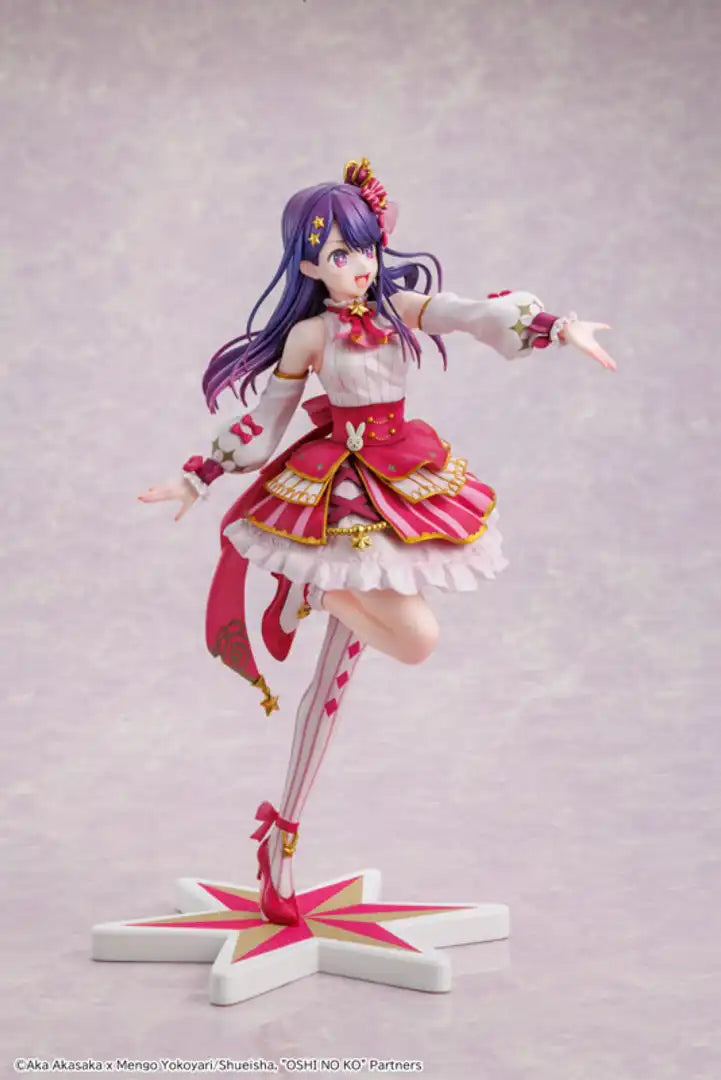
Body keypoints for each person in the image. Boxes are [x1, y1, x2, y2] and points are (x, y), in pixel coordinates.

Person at [139, 157, 615, 926]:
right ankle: (284, 831)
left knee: (378, 657)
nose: (357, 265)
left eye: (363, 248)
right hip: (342, 494)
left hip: (402, 482)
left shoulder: (397, 308)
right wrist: (199, 475)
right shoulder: (309, 335)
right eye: (337, 254)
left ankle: (314, 615)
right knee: (404, 644)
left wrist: (558, 328)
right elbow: (266, 422)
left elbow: (470, 313)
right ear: (307, 266)